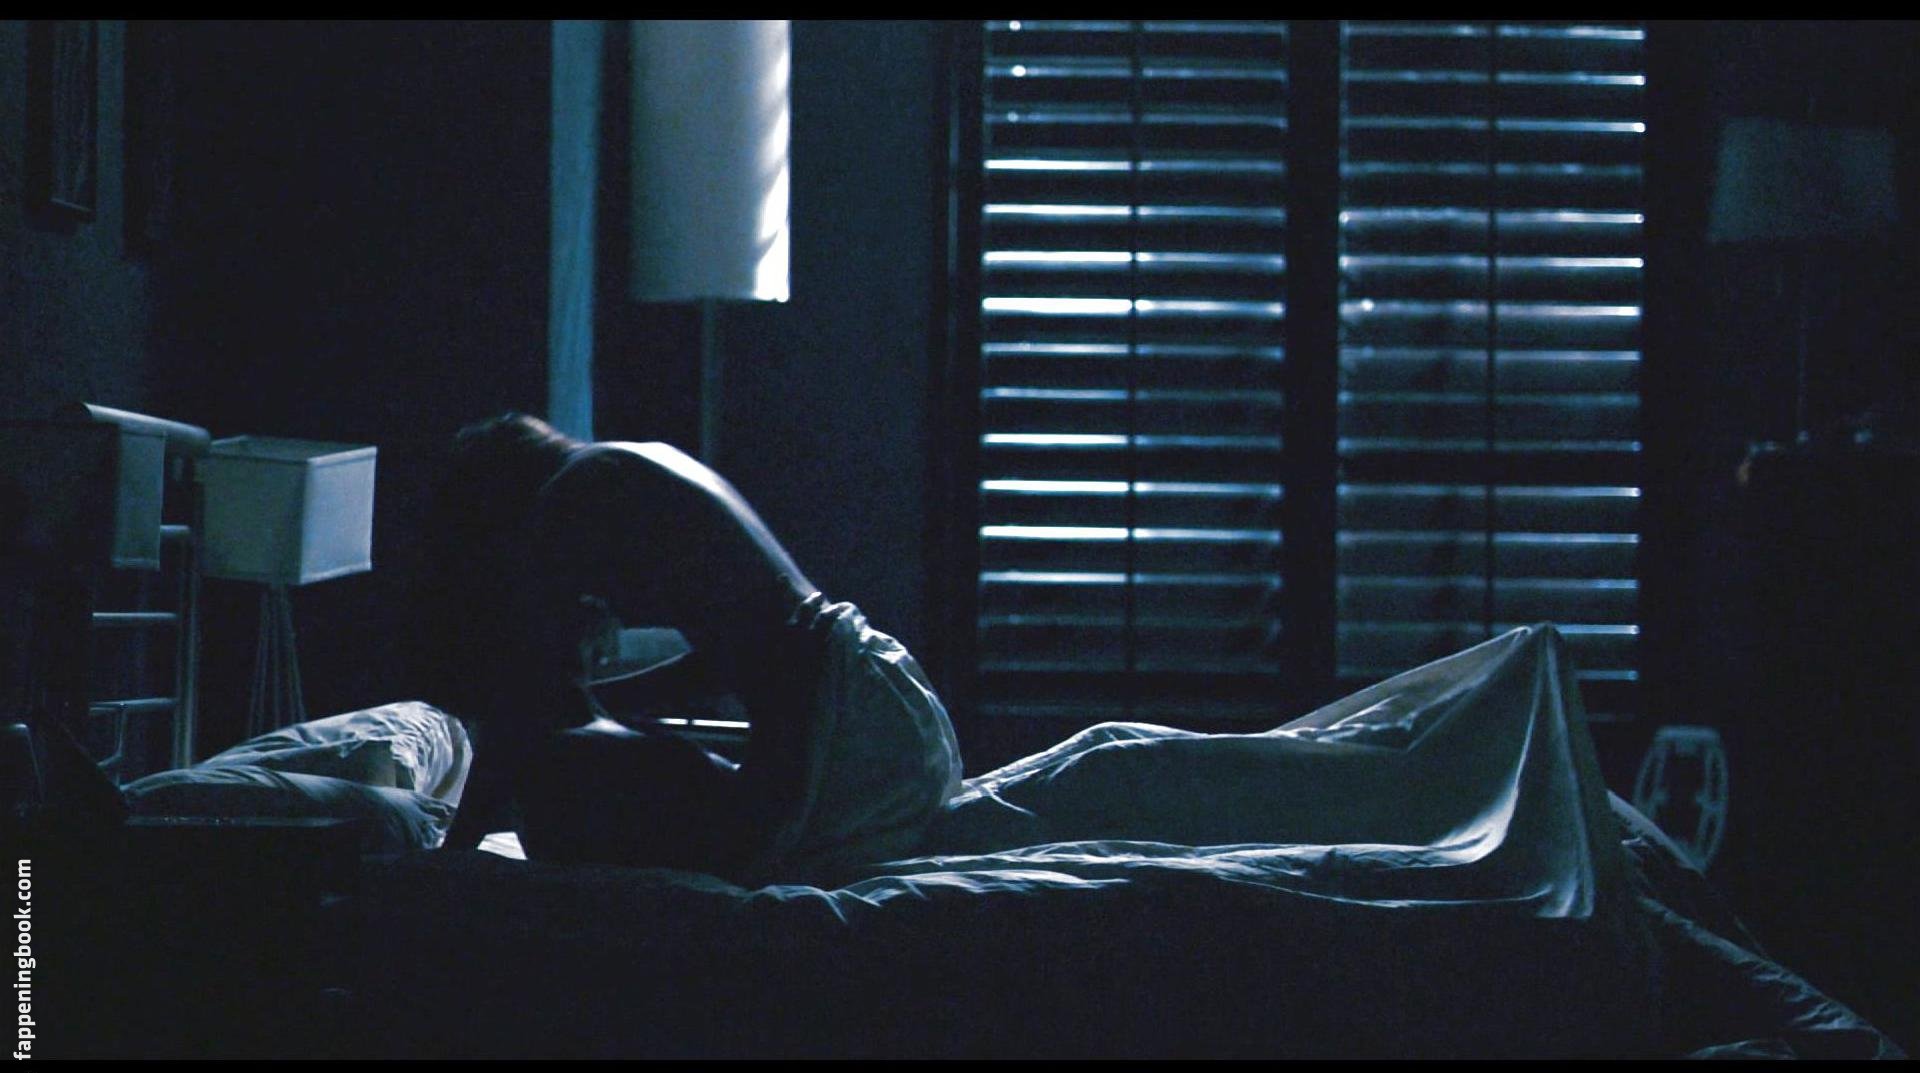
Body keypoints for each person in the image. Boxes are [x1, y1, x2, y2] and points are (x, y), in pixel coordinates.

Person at [423, 414, 962, 884]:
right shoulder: (624, 463)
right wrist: (602, 704)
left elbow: (521, 699)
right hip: (882, 704)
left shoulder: (570, 497)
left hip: (845, 727)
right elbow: (731, 656)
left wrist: (453, 854)